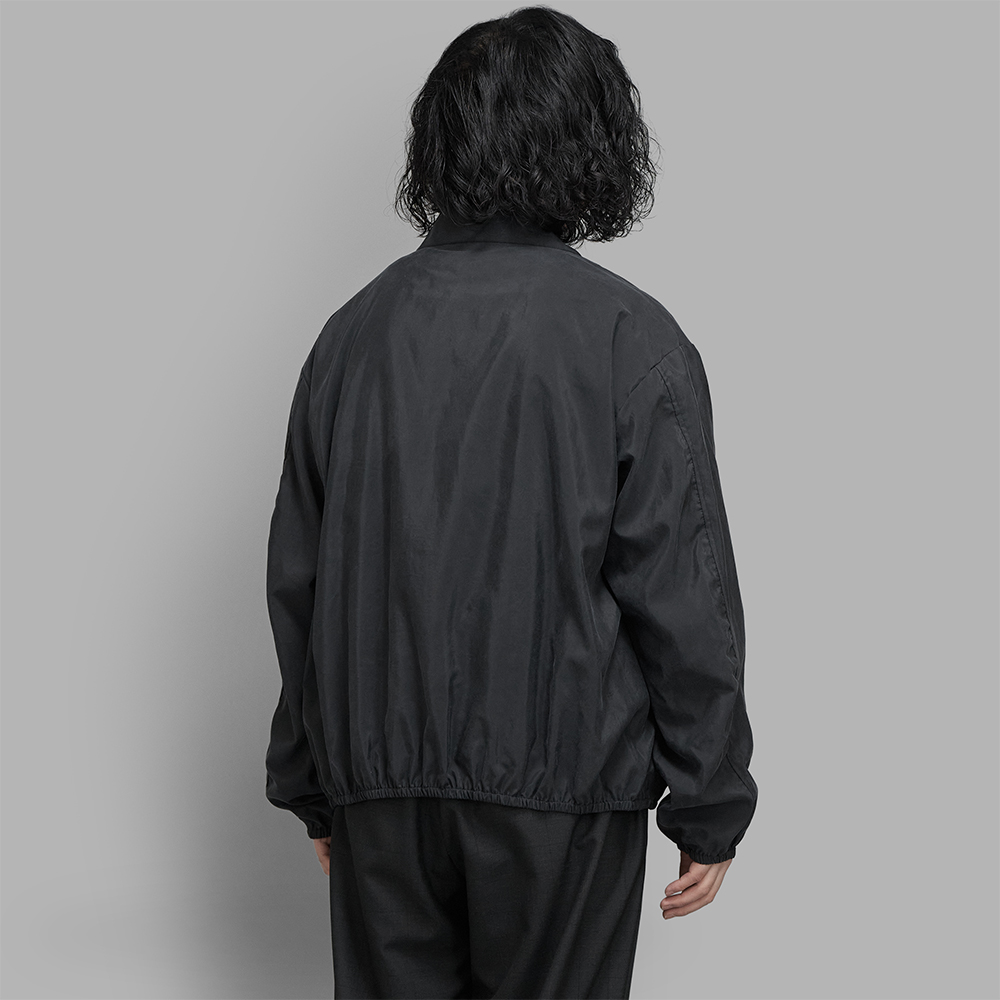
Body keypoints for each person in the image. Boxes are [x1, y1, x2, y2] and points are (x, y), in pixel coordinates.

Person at [264, 6, 758, 998]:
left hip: (380, 795)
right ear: (594, 142)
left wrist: (314, 781)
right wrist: (709, 797)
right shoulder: (628, 337)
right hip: (560, 795)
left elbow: (300, 581)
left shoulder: (352, 337)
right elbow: (682, 591)